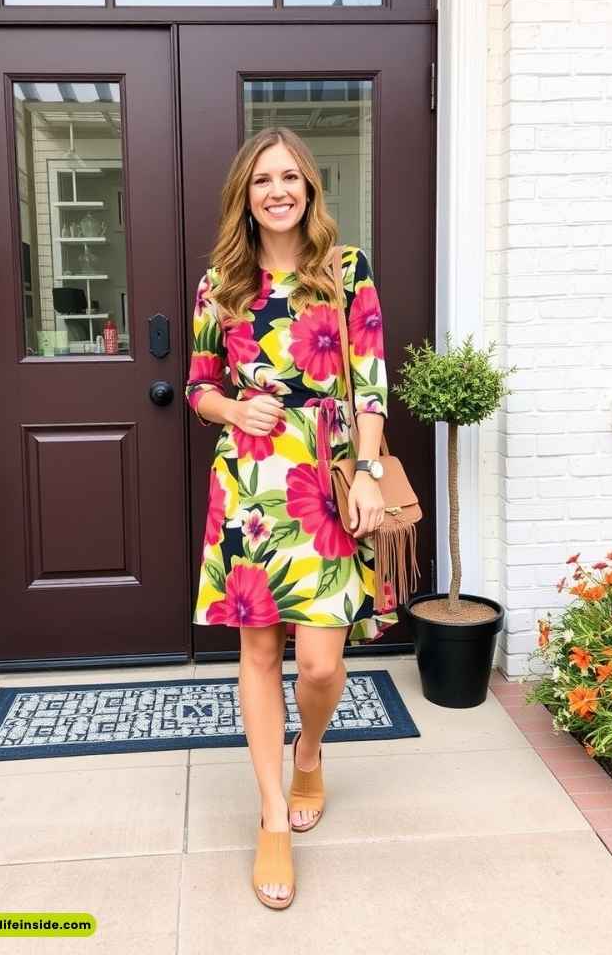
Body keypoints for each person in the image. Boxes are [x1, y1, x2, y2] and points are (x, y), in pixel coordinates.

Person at [183, 126, 397, 910]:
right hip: (248, 483)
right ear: (245, 193)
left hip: (325, 479)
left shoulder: (345, 272)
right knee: (259, 654)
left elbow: (369, 381)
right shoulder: (221, 283)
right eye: (262, 180)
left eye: (291, 179)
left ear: (310, 189)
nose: (277, 191)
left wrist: (370, 471)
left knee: (319, 665)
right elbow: (199, 385)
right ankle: (272, 815)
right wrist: (235, 404)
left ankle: (310, 748)